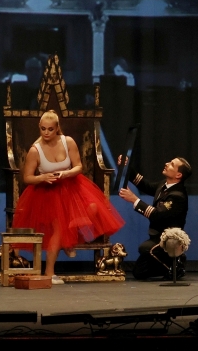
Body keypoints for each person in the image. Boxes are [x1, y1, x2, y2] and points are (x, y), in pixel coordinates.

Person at [12, 110, 125, 285]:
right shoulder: (35, 150)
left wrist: (66, 173)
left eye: (50, 129)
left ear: (57, 128)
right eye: (43, 129)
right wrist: (42, 177)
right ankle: (49, 272)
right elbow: (27, 177)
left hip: (71, 188)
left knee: (93, 208)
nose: (46, 133)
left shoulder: (68, 142)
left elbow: (78, 166)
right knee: (59, 228)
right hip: (48, 194)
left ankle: (69, 239)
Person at [119, 157, 191, 280]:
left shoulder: (178, 195)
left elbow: (157, 215)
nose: (166, 164)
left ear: (178, 175)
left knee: (145, 248)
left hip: (168, 239)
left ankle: (176, 265)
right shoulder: (164, 185)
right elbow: (145, 185)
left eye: (172, 164)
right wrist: (127, 167)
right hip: (156, 236)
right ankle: (171, 263)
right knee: (139, 272)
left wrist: (134, 199)